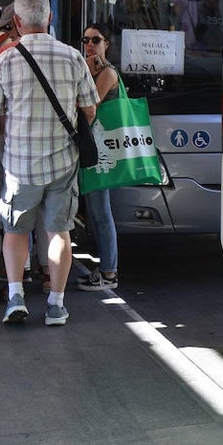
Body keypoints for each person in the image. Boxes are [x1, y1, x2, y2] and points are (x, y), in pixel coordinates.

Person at [0, 0, 98, 326]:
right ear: (50, 18)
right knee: (59, 233)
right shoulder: (73, 57)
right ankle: (56, 305)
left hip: (19, 166)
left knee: (16, 232)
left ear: (16, 22)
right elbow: (89, 109)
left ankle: (16, 296)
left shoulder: (5, 60)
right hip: (62, 163)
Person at [77, 23, 121, 291]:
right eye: (86, 39)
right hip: (94, 147)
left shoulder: (106, 73)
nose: (90, 44)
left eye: (96, 39)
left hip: (100, 151)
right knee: (95, 211)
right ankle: (106, 269)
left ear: (107, 44)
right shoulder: (91, 69)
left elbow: (89, 108)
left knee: (101, 212)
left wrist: (89, 73)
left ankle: (109, 273)